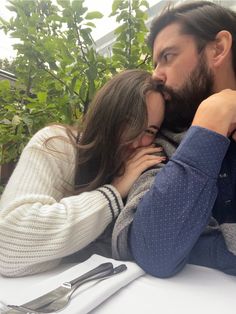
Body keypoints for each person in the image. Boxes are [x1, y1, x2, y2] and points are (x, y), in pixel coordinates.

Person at [0, 69, 166, 277]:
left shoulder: (144, 169)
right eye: (130, 122)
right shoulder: (56, 145)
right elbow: (8, 247)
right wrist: (112, 193)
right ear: (108, 113)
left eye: (149, 131)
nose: (137, 140)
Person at [112, 1, 236, 278]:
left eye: (168, 56)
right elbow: (153, 249)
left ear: (218, 49)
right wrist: (212, 119)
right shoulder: (160, 142)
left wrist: (203, 244)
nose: (156, 74)